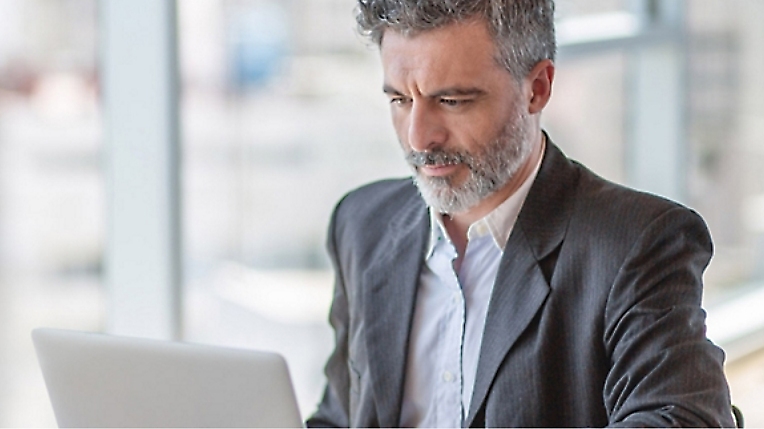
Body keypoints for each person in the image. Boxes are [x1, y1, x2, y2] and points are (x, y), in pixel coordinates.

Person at [306, 0, 736, 427]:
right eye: (400, 99)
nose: (420, 136)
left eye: (452, 100)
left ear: (537, 88)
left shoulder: (638, 243)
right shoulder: (362, 225)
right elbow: (339, 416)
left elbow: (680, 419)